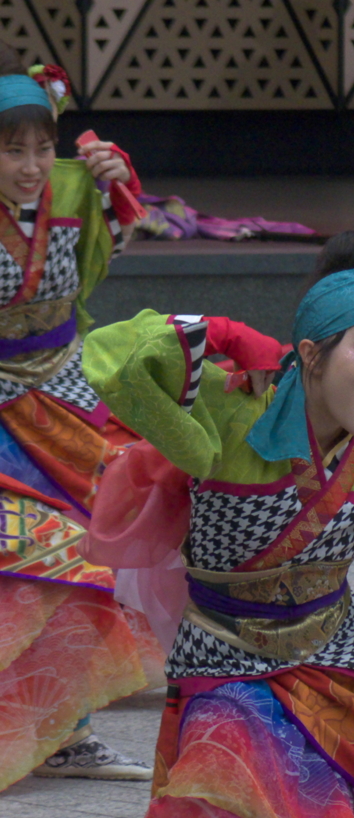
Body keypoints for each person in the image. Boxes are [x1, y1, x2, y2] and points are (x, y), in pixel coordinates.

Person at [82, 230, 354, 817]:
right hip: (227, 661)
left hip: (342, 654)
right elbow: (119, 358)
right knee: (238, 784)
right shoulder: (233, 410)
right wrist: (219, 332)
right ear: (313, 355)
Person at [0, 42, 159, 785]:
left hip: (60, 398)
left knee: (90, 562)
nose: (32, 165)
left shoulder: (66, 194)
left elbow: (99, 264)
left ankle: (68, 729)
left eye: (43, 148)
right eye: (11, 151)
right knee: (31, 563)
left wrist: (109, 193)